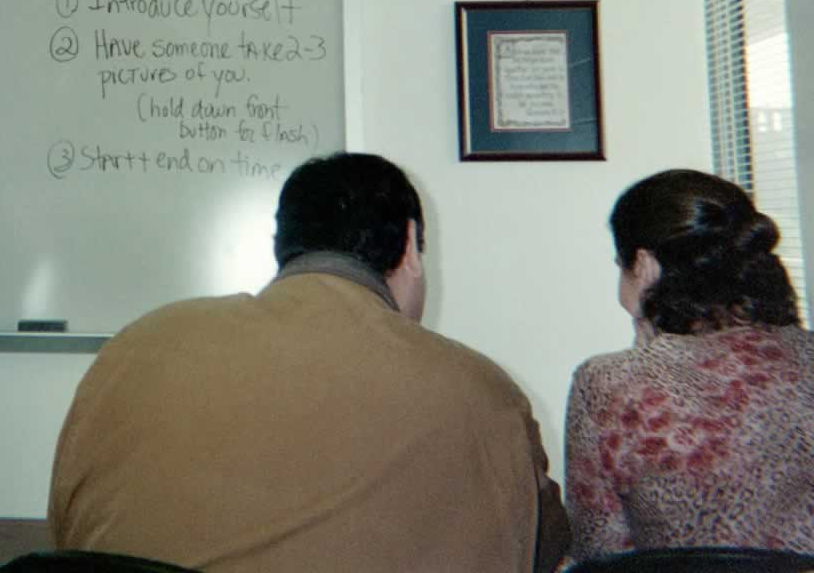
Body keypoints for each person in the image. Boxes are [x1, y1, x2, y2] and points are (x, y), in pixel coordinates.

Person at [48, 152, 570, 573]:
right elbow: (544, 547)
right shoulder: (478, 389)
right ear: (410, 246)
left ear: (283, 246)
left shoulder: (137, 346)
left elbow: (68, 533)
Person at [564, 168, 814, 560]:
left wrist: (646, 335)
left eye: (620, 264)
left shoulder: (607, 382)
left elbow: (600, 551)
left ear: (643, 264)